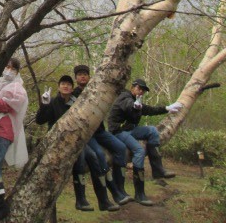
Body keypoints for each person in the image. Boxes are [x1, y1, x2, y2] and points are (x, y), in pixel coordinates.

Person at [36, 75, 118, 214]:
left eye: (68, 84)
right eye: (63, 84)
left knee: (94, 157)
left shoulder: (76, 103)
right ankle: (81, 199)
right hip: (59, 141)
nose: (66, 86)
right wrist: (44, 106)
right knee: (81, 156)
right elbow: (40, 120)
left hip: (77, 139)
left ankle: (103, 200)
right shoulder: (53, 102)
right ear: (59, 87)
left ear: (72, 88)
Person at [108, 78, 183, 206]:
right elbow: (127, 105)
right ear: (133, 87)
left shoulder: (137, 101)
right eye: (139, 88)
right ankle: (140, 193)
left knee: (152, 131)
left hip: (131, 130)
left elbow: (149, 110)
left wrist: (167, 108)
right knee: (139, 150)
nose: (140, 92)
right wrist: (134, 105)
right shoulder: (125, 96)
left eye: (143, 90)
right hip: (118, 131)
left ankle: (158, 169)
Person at [72, 64, 132, 206]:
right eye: (79, 74)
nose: (82, 76)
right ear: (76, 78)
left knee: (121, 148)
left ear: (89, 77)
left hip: (100, 131)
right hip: (88, 134)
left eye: (85, 74)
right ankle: (112, 193)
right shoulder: (74, 94)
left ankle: (120, 188)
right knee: (99, 155)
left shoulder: (95, 91)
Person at [0, 58, 28, 223]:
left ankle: (0, 204)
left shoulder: (17, 87)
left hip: (4, 129)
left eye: (12, 68)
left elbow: (7, 106)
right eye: (7, 66)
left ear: (17, 71)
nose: (9, 70)